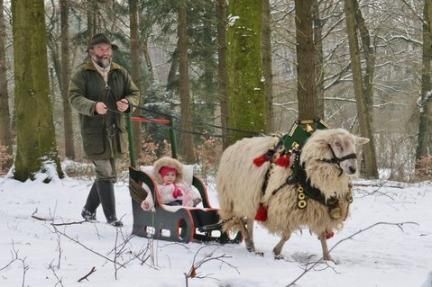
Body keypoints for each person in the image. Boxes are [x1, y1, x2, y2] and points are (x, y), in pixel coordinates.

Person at [69, 33, 140, 227]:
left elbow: (134, 93)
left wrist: (128, 102)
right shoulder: (82, 73)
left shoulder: (120, 72)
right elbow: (74, 98)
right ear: (91, 51)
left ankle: (88, 210)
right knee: (105, 173)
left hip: (116, 132)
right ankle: (111, 217)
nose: (105, 52)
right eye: (100, 48)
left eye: (107, 48)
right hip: (94, 132)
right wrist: (93, 106)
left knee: (109, 175)